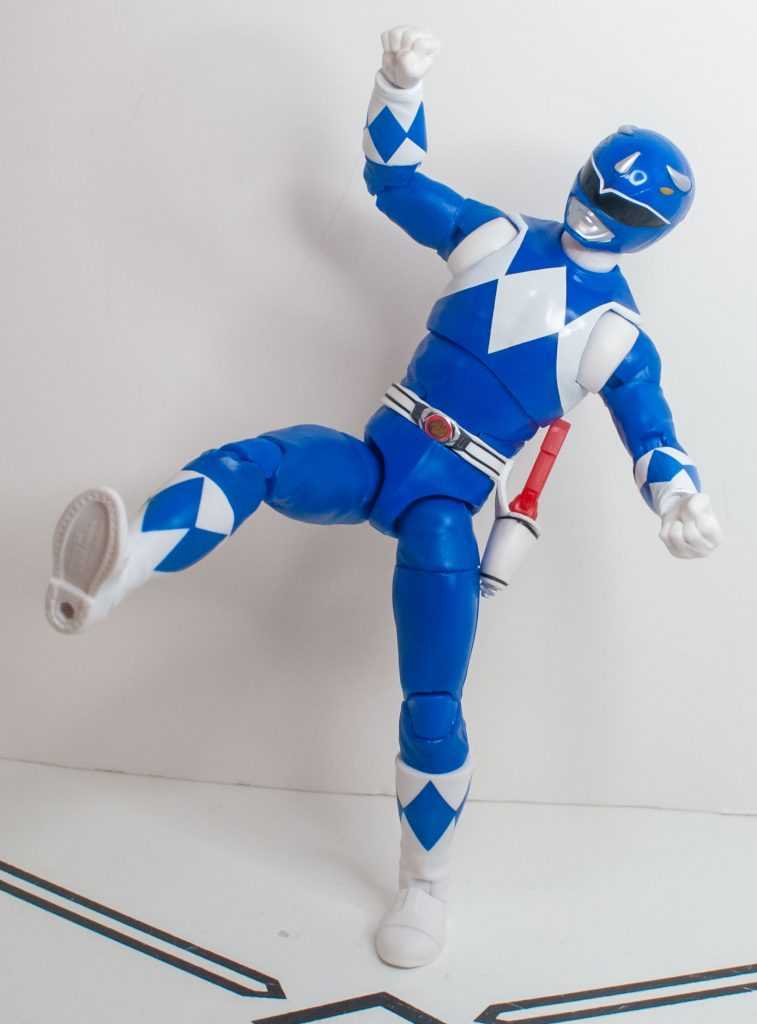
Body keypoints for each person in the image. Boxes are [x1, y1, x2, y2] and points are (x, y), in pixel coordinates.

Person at [45, 26, 722, 969]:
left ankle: (425, 886)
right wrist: (397, 89)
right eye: (593, 184)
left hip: (448, 507)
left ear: (650, 229)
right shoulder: (494, 237)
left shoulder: (615, 337)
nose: (593, 210)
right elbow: (395, 184)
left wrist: (679, 498)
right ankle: (119, 573)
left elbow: (652, 432)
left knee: (432, 703)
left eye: (619, 207)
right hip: (376, 453)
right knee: (254, 462)